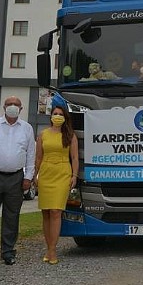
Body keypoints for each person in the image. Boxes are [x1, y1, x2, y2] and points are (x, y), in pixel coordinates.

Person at [0, 96, 36, 266]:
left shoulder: (27, 128)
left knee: (12, 216)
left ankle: (8, 252)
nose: (12, 107)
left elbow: (30, 154)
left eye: (16, 104)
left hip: (16, 178)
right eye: (9, 104)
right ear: (4, 107)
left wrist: (28, 177)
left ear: (21, 109)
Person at [34, 105, 79, 264]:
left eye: (61, 114)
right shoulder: (43, 135)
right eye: (55, 114)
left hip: (62, 173)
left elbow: (74, 158)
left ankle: (53, 250)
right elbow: (38, 158)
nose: (58, 116)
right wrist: (35, 176)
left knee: (55, 211)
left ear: (65, 117)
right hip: (46, 173)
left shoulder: (70, 135)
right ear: (51, 116)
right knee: (46, 212)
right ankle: (48, 248)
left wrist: (74, 175)